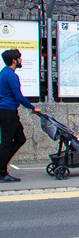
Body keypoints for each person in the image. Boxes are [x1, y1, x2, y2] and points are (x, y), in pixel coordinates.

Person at [0, 49, 42, 183]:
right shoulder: (12, 76)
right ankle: (1, 173)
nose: (21, 60)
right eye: (19, 58)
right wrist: (32, 107)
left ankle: (2, 163)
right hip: (8, 112)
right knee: (6, 143)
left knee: (20, 138)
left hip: (7, 111)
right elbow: (18, 96)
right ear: (14, 60)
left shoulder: (3, 73)